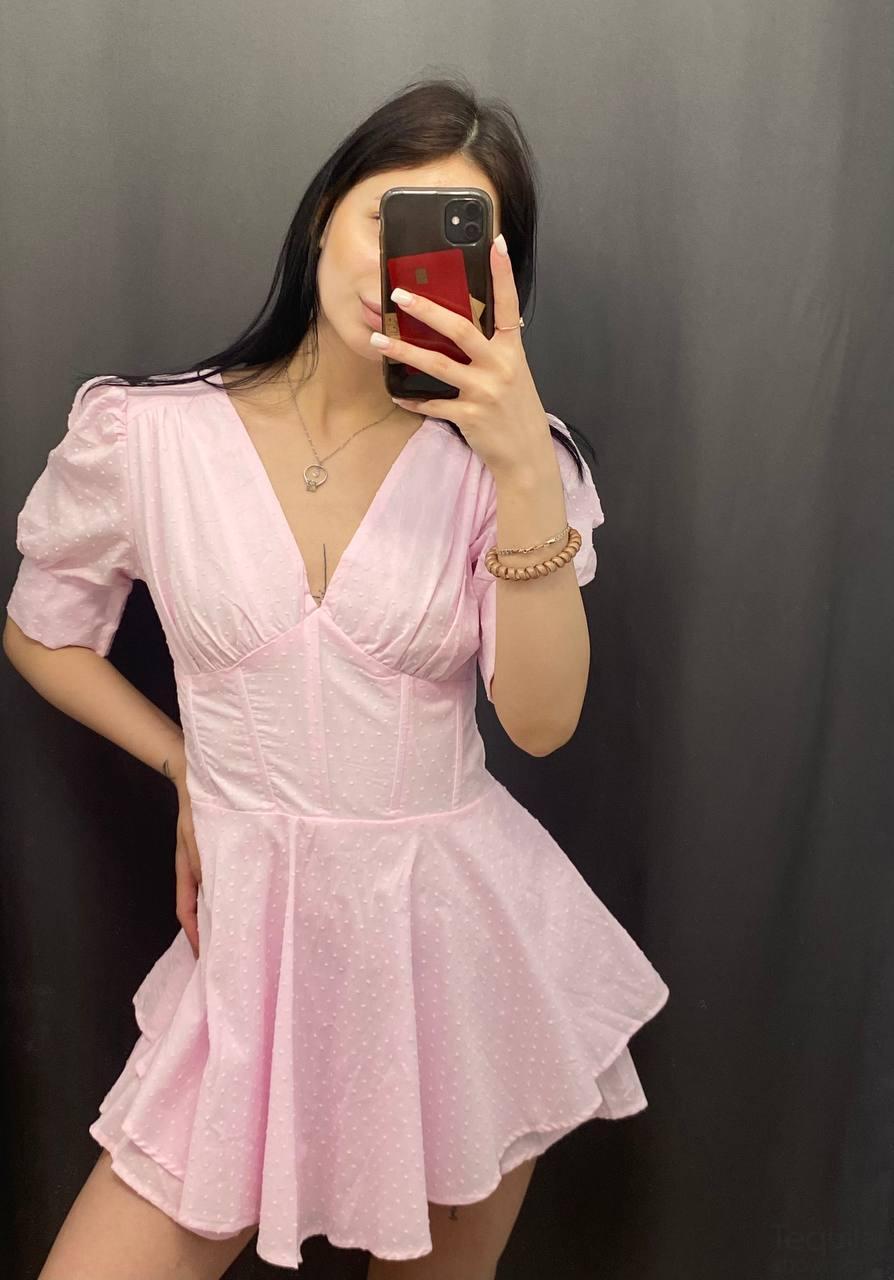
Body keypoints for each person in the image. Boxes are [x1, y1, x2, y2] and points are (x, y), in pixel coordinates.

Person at [4, 76, 669, 1280]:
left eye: (450, 242)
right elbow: (42, 629)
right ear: (325, 214)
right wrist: (185, 761)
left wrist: (523, 466)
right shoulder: (148, 437)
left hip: (452, 960)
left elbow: (541, 719)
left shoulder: (510, 467)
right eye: (388, 218)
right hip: (248, 957)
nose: (401, 269)